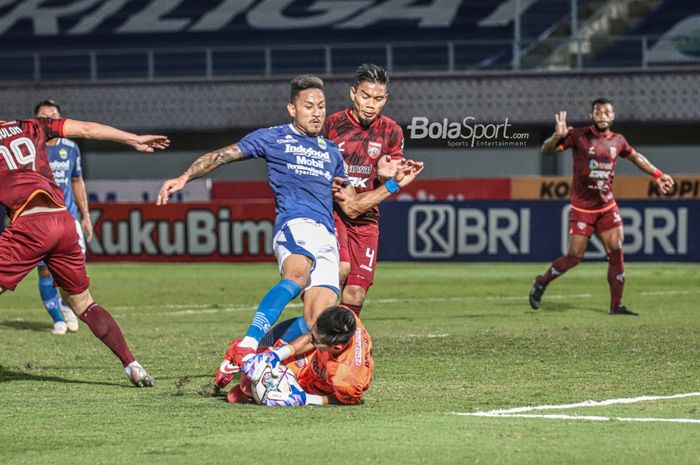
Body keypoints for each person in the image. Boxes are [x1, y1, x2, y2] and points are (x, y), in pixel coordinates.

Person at [156, 75, 422, 390]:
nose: (316, 113)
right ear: (292, 109)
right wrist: (185, 176)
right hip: (295, 224)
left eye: (321, 106)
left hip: (327, 237)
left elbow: (351, 208)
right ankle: (248, 344)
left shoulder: (332, 153)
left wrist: (393, 185)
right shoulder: (274, 138)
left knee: (316, 325)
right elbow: (222, 155)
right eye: (308, 106)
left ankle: (251, 356)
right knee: (297, 275)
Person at [0, 115, 169, 386]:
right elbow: (88, 129)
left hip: (30, 225)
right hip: (63, 221)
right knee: (84, 304)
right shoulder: (31, 126)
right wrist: (134, 139)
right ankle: (132, 365)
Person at [259, 64, 404, 346]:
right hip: (333, 213)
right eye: (365, 96)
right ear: (353, 94)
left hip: (366, 218)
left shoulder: (392, 132)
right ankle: (293, 341)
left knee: (355, 295)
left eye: (378, 99)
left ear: (385, 99)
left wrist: (390, 174)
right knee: (340, 271)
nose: (371, 104)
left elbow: (392, 170)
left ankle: (341, 346)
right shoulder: (330, 125)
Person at [529, 98, 674, 315]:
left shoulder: (618, 141)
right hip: (582, 209)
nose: (603, 115)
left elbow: (636, 157)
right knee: (573, 258)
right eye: (598, 112)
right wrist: (556, 136)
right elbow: (546, 150)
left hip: (606, 207)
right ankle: (542, 282)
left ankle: (616, 305)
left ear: (613, 116)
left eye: (607, 112)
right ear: (592, 116)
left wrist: (658, 174)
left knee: (616, 251)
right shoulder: (578, 136)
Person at [228, 305, 373, 406]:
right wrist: (276, 355)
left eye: (317, 340)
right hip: (311, 362)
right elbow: (311, 338)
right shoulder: (343, 317)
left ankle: (253, 392)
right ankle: (252, 389)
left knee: (244, 390)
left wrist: (304, 399)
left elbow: (342, 400)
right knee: (257, 366)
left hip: (318, 388)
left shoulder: (347, 380)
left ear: (336, 347)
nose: (311, 338)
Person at [34, 99, 91, 335]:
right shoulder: (30, 147)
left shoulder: (71, 147)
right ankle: (57, 317)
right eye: (44, 115)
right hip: (40, 220)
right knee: (45, 269)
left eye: (53, 115)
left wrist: (86, 215)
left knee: (74, 270)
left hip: (69, 219)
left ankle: (68, 306)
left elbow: (77, 181)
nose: (49, 119)